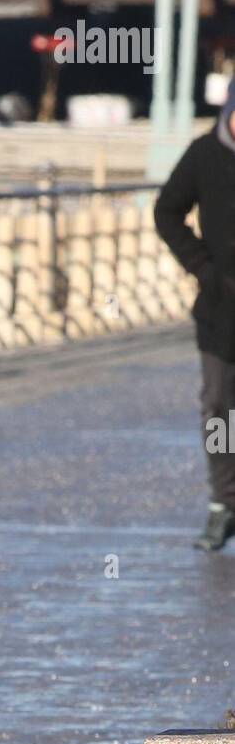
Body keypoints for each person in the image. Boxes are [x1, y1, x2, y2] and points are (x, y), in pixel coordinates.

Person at [154, 75, 235, 551]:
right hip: (220, 309)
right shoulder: (204, 153)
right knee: (220, 408)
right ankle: (223, 506)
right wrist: (202, 266)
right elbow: (167, 211)